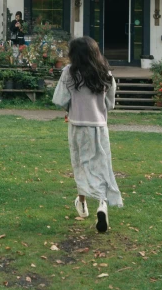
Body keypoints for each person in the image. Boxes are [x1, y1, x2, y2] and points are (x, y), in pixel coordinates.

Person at [52, 36, 123, 232]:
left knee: (80, 164)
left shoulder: (69, 72)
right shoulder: (105, 74)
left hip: (77, 125)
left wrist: (71, 106)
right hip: (99, 126)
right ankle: (102, 204)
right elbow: (110, 104)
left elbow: (60, 99)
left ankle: (82, 204)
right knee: (101, 165)